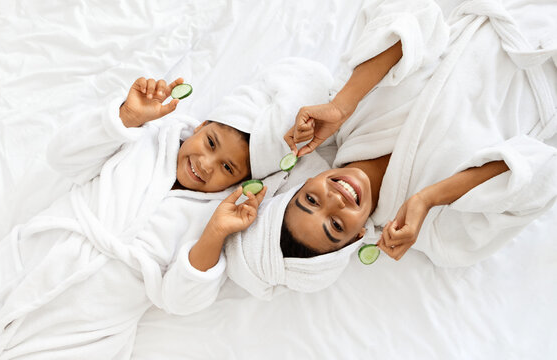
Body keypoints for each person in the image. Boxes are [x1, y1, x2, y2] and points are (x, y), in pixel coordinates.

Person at [221, 0, 557, 299]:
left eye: (310, 200)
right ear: (356, 240)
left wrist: (342, 105)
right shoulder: (439, 236)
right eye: (336, 226)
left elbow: (414, 17)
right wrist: (430, 197)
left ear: (302, 184)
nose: (335, 200)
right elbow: (541, 173)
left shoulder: (351, 122)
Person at [0, 76, 266, 359]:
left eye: (227, 167)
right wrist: (126, 117)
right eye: (210, 143)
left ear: (239, 182)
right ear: (200, 127)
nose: (206, 164)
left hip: (87, 330)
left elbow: (180, 300)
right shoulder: (145, 139)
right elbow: (62, 157)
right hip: (27, 264)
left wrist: (215, 233)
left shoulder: (213, 217)